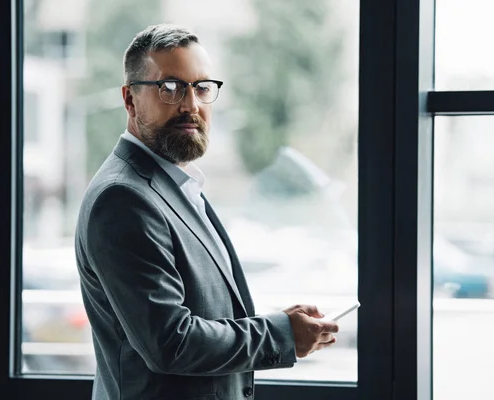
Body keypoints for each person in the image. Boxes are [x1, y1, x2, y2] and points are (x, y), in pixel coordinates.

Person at [75, 24, 339, 400]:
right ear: (130, 100)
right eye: (170, 87)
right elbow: (171, 341)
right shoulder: (123, 198)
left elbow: (201, 311)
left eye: (201, 88)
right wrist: (281, 334)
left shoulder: (175, 185)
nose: (190, 105)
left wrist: (278, 322)